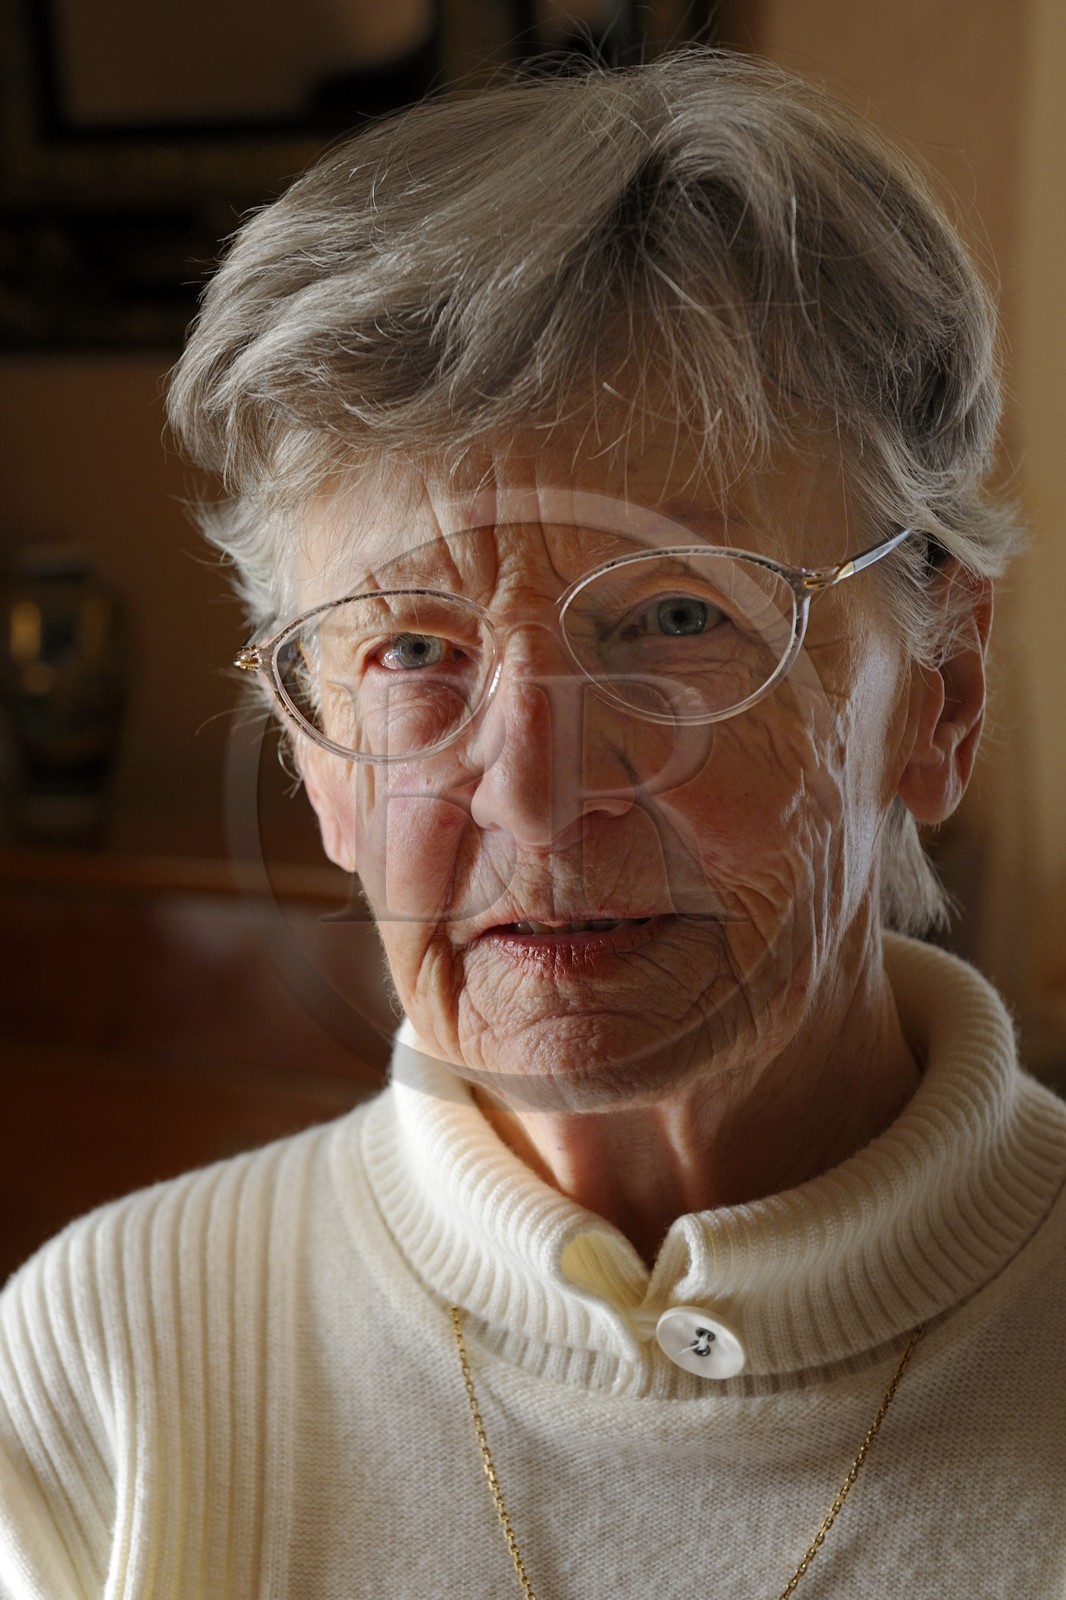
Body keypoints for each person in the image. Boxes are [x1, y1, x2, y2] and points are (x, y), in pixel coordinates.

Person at [2, 49, 1064, 1600]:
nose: (532, 789)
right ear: (308, 754)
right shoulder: (109, 1364)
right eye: (410, 649)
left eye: (673, 619)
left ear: (942, 695)